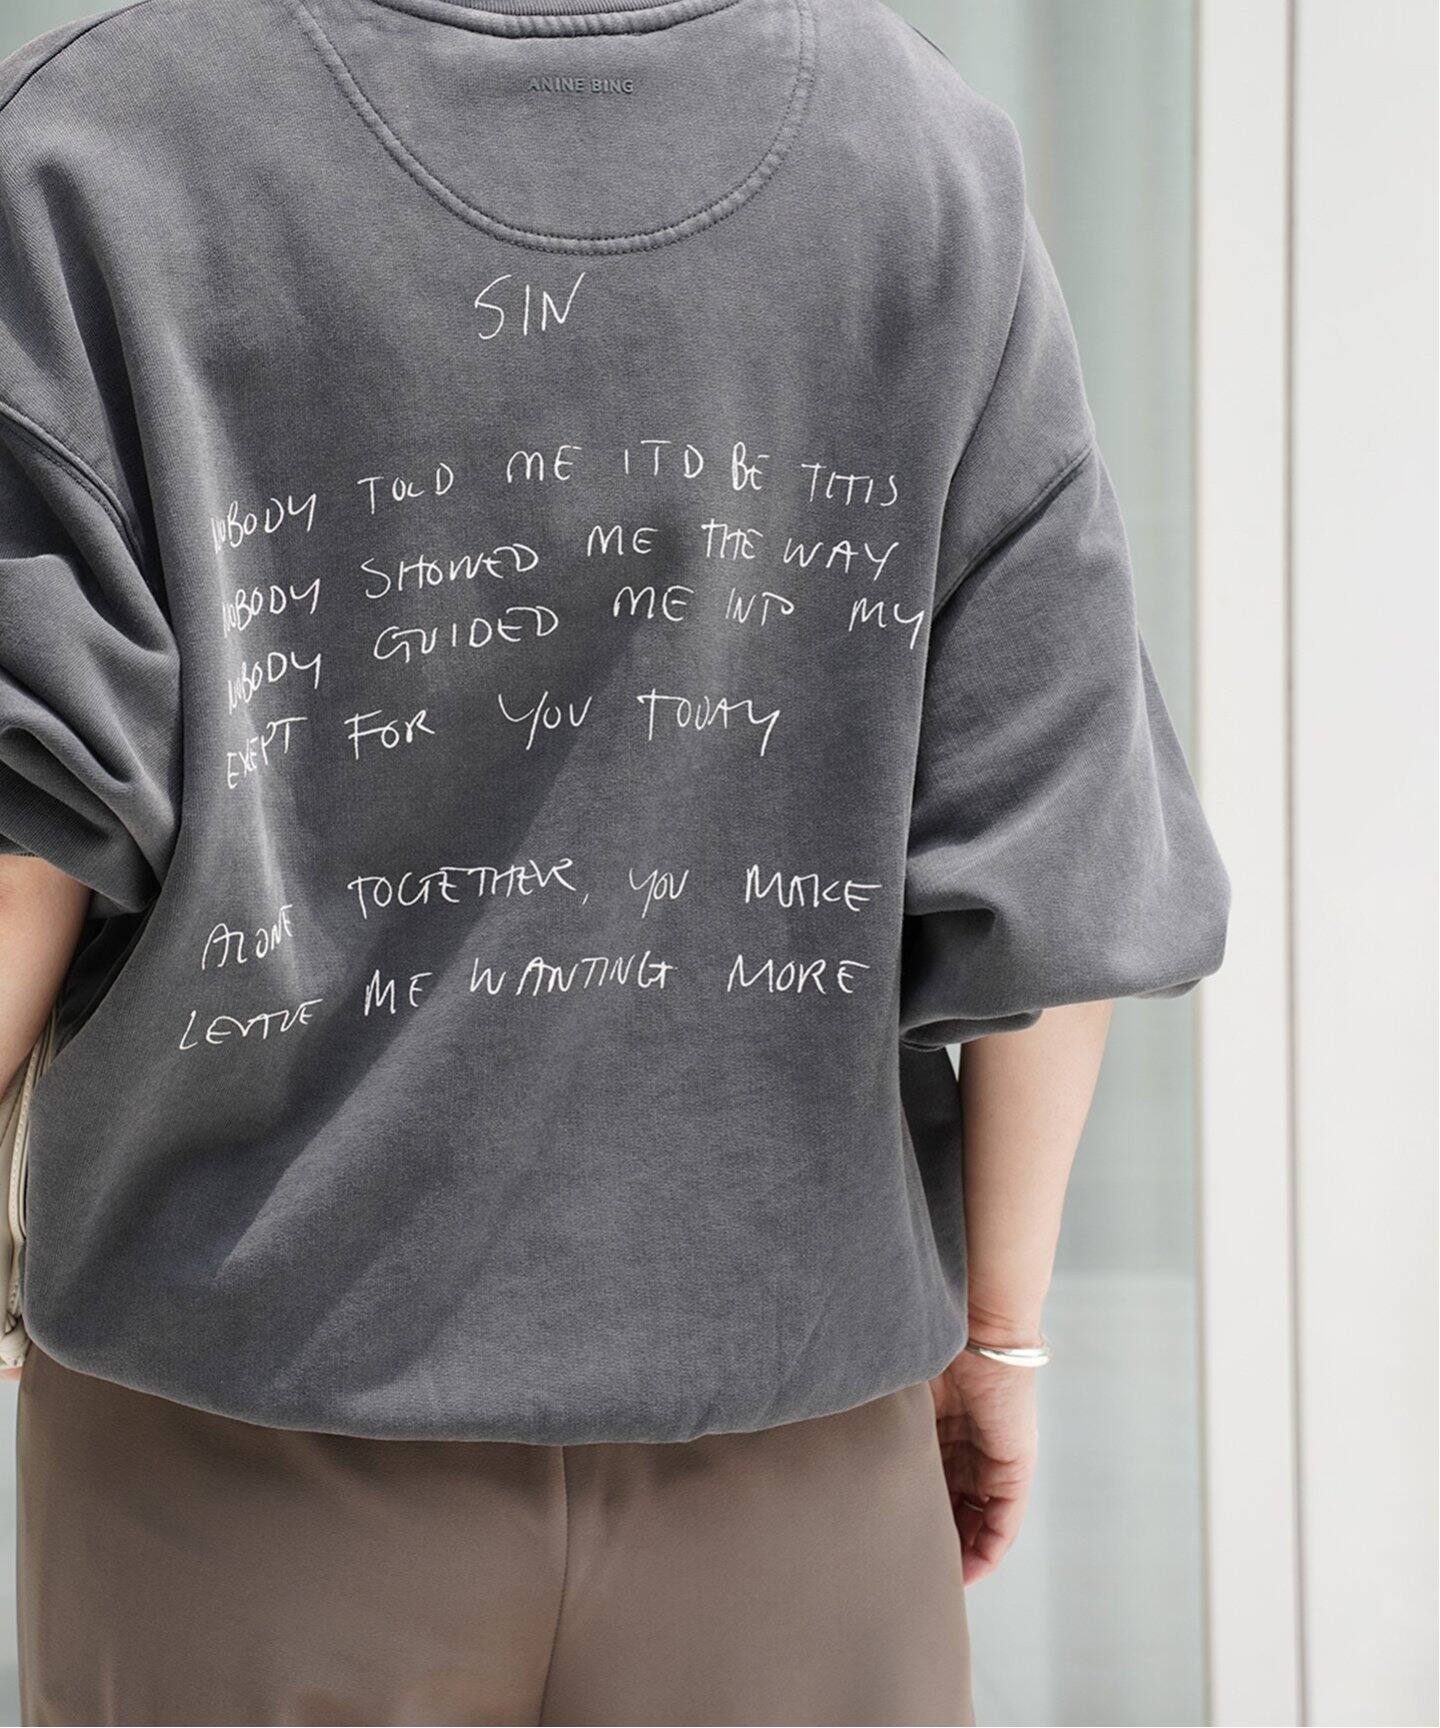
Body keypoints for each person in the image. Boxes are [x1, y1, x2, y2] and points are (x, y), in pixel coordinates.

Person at [0, 0, 1230, 1722]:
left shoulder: (105, 139)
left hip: (235, 1446)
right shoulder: (918, 152)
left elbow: (25, 836)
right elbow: (1051, 833)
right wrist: (1001, 1333)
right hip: (794, 1458)